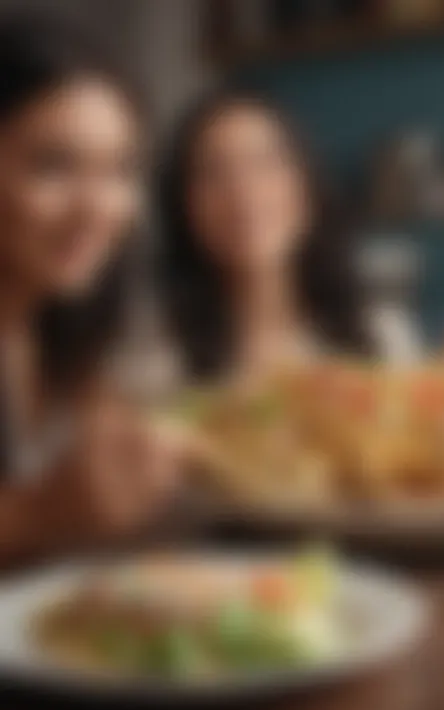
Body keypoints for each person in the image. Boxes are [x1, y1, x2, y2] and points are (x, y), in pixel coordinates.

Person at [0, 15, 180, 564]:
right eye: (53, 166)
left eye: (118, 170)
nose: (97, 209)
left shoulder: (56, 319)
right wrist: (37, 514)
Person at [158, 90, 367, 382]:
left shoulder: (377, 337)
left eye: (265, 163)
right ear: (184, 206)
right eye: (214, 173)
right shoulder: (155, 361)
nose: (243, 192)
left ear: (307, 185)